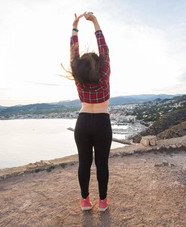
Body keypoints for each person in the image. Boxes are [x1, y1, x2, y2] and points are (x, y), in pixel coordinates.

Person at [70, 12, 112, 212]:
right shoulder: (104, 75)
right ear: (100, 65)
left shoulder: (79, 78)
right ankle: (103, 202)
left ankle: (85, 201)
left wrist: (75, 28)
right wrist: (95, 22)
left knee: (84, 163)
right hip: (102, 122)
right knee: (102, 164)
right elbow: (104, 48)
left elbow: (73, 54)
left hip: (83, 122)